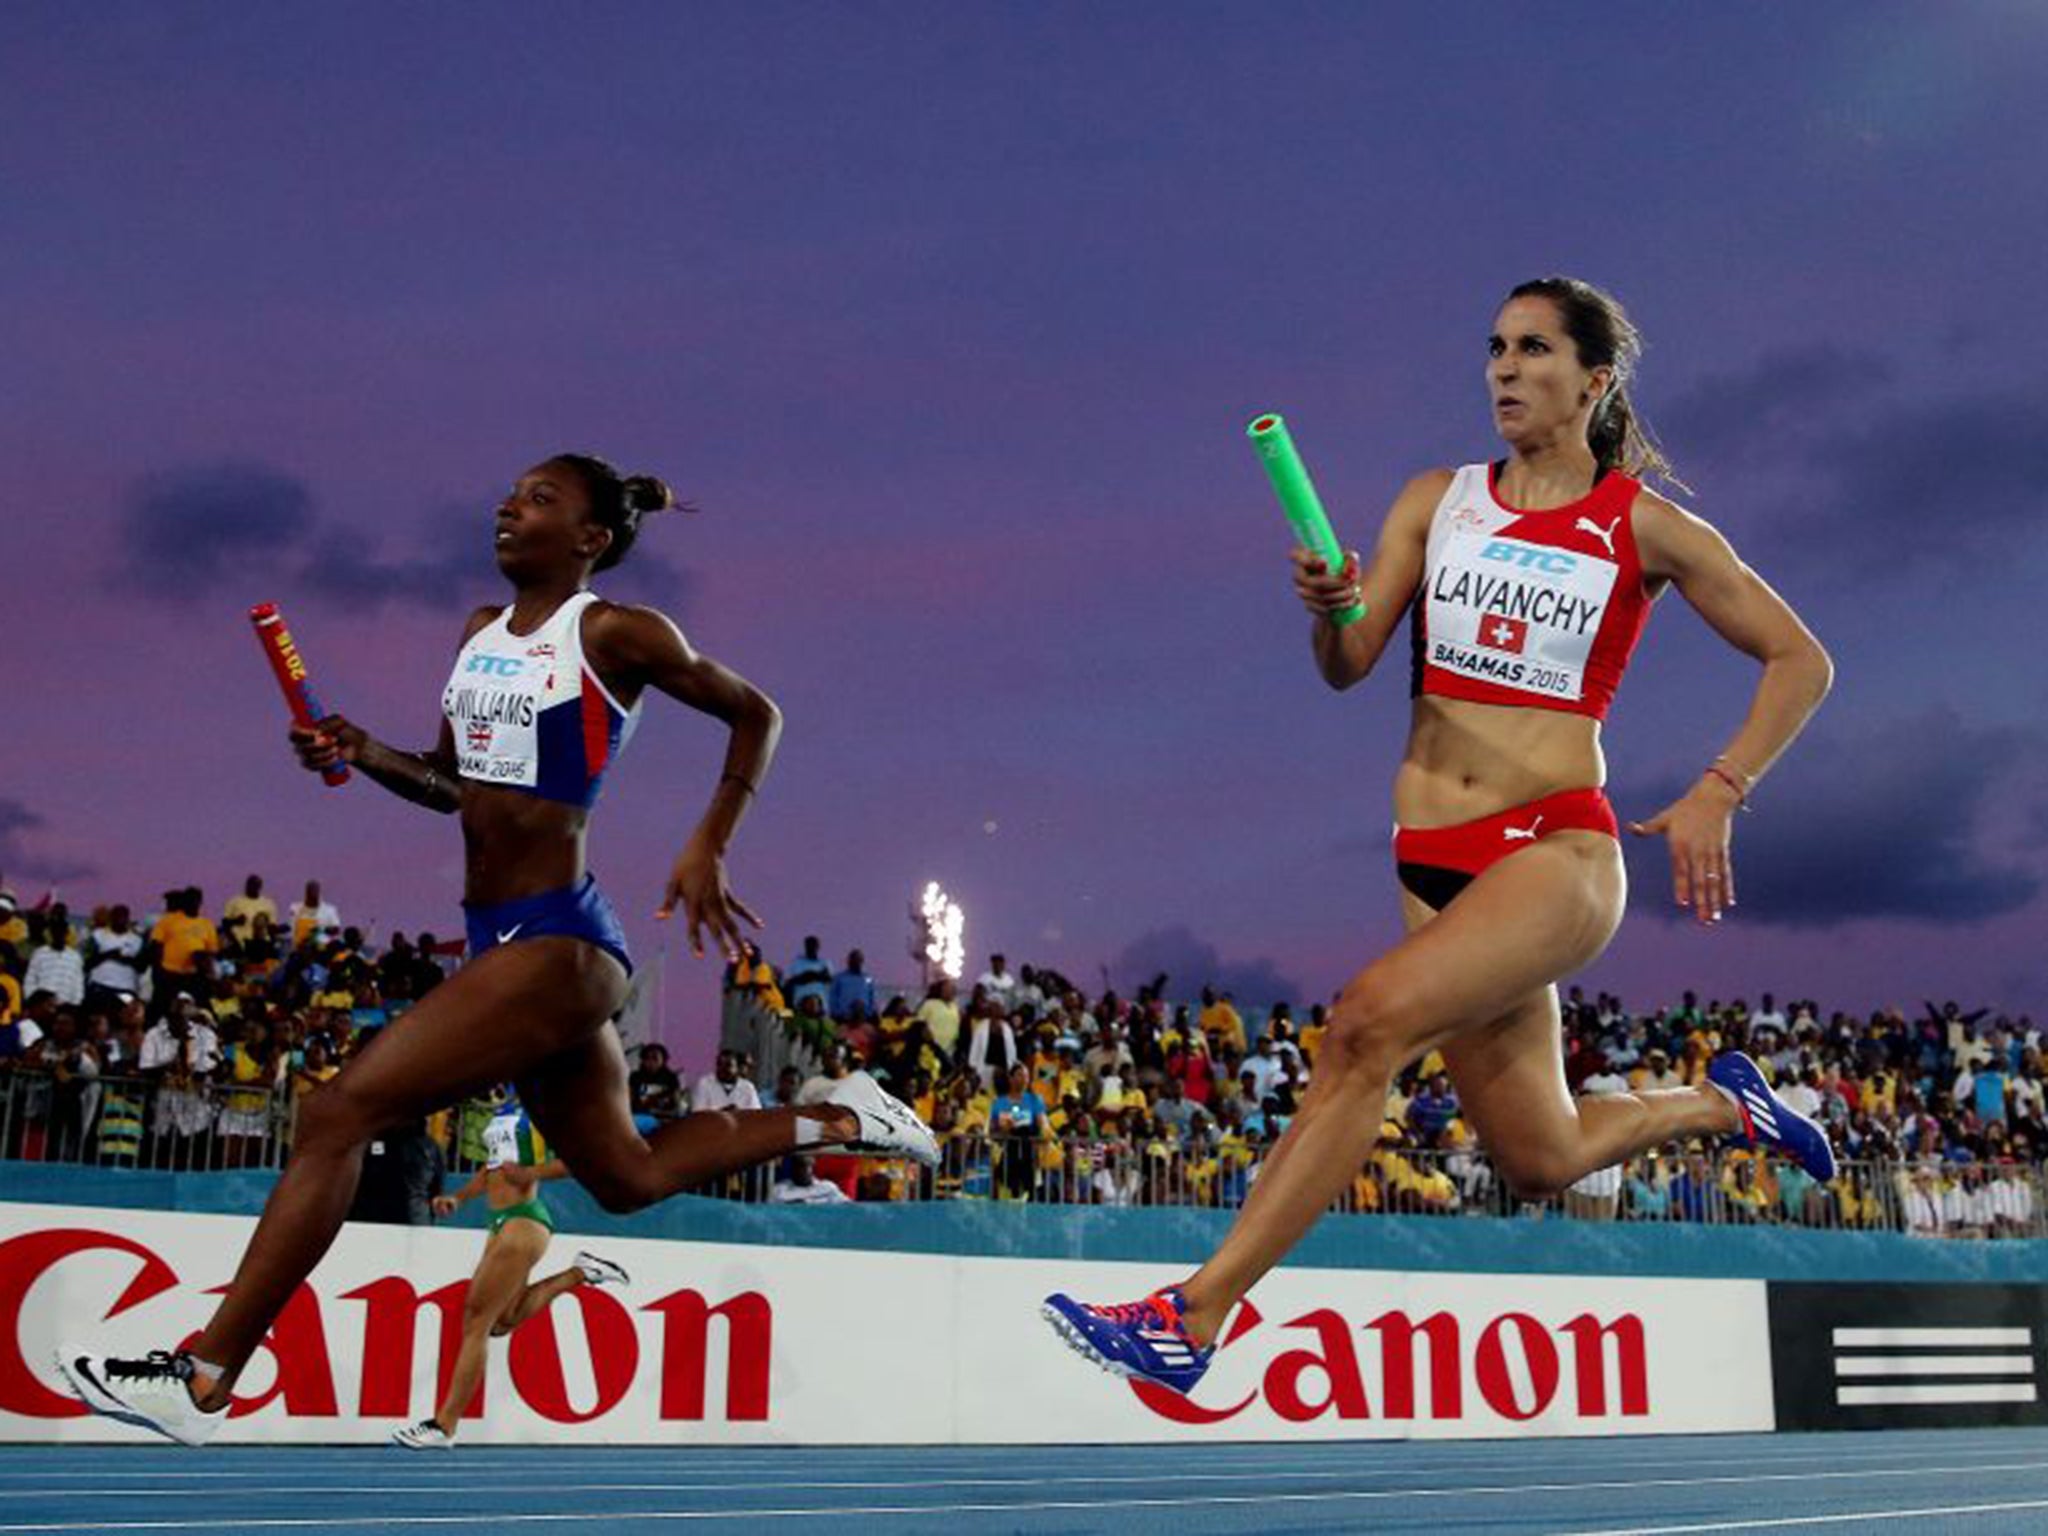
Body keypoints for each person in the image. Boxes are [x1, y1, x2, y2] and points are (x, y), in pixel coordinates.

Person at [1044, 277, 1837, 1393]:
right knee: (1538, 1156)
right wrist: (1327, 610)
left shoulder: (1643, 526)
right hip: (1429, 858)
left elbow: (1800, 657)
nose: (1503, 369)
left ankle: (1193, 1314)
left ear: (1592, 379)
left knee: (1363, 1028)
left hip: (1554, 853)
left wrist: (1719, 786)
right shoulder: (1436, 498)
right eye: (1494, 349)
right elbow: (1345, 668)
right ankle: (1720, 1103)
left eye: (1532, 350)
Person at [58, 452, 937, 1445]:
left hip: (559, 943)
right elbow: (448, 785)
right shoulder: (479, 634)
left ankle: (204, 1376)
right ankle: (836, 1120)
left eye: (538, 500)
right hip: (500, 938)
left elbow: (756, 713)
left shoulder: (613, 633)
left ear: (591, 538)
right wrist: (360, 750)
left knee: (339, 1112)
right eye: (511, 496)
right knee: (625, 1177)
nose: (508, 508)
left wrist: (708, 843)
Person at [391, 1098, 628, 1449]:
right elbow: (492, 1169)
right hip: (499, 1223)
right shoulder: (505, 1108)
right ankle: (580, 1273)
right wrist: (459, 1198)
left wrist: (533, 1173)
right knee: (501, 1322)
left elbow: (581, 1161)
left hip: (524, 1220)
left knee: (476, 1321)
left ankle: (445, 1425)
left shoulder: (547, 1109)